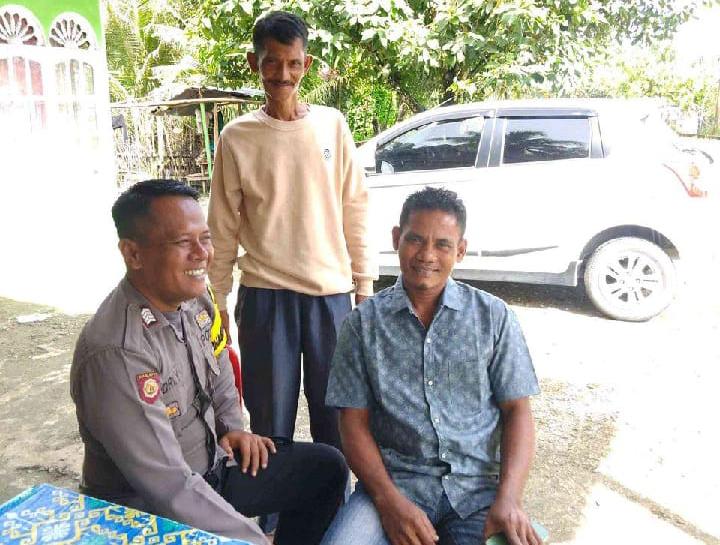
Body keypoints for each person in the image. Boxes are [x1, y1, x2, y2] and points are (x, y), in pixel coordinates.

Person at [70, 180, 348, 545]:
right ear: (133, 254)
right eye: (183, 242)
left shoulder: (195, 300)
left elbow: (220, 372)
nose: (202, 254)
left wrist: (232, 427)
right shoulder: (118, 352)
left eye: (205, 238)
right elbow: (168, 486)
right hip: (144, 512)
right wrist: (251, 538)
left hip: (210, 469)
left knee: (325, 469)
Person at [322, 187, 542, 545]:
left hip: (477, 493)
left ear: (460, 250)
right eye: (415, 239)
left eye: (442, 244)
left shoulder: (493, 317)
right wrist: (388, 501)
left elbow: (518, 409)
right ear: (396, 238)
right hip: (394, 486)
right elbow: (352, 422)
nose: (426, 255)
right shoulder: (362, 324)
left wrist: (509, 499)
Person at [207, 11, 375, 453]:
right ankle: (272, 499)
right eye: (271, 62)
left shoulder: (332, 126)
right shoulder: (237, 137)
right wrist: (217, 298)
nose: (282, 74)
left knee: (337, 417)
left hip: (330, 298)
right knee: (269, 422)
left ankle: (335, 495)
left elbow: (355, 207)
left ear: (307, 64)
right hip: (265, 298)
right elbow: (221, 224)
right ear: (254, 62)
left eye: (293, 63)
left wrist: (364, 287)